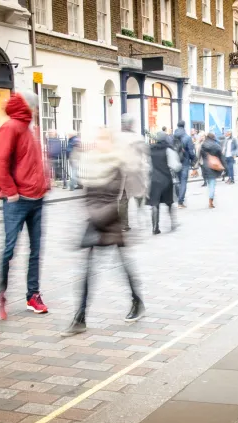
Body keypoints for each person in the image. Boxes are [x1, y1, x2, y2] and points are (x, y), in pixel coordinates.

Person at [61, 128, 145, 337]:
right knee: (88, 271)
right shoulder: (90, 164)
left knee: (123, 267)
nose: (100, 143)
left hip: (110, 221)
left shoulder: (117, 165)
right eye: (97, 139)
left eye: (104, 139)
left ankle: (137, 301)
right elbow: (88, 196)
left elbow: (114, 198)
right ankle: (80, 317)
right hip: (96, 220)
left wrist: (95, 218)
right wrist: (90, 216)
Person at [0, 91, 49, 320]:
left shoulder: (31, 129)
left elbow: (32, 161)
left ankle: (33, 294)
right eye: (35, 108)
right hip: (17, 201)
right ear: (29, 107)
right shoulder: (12, 127)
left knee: (36, 250)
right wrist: (11, 191)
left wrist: (45, 183)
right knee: (9, 249)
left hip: (36, 199)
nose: (37, 112)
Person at [117, 114, 151, 232]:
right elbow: (146, 151)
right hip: (135, 171)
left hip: (122, 171)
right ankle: (141, 213)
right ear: (131, 124)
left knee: (123, 198)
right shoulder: (137, 137)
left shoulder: (117, 137)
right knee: (139, 193)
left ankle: (123, 224)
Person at [147, 131, 176, 234]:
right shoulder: (168, 150)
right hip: (166, 179)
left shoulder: (151, 150)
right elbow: (174, 165)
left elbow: (148, 166)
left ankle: (155, 227)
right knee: (169, 202)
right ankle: (172, 223)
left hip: (154, 179)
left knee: (155, 203)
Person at [173, 121, 196, 208]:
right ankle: (180, 202)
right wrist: (193, 159)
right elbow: (191, 151)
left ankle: (178, 197)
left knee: (177, 181)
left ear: (177, 126)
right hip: (184, 162)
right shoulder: (187, 137)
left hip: (175, 161)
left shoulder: (173, 136)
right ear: (184, 126)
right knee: (183, 182)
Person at [201, 133, 226, 208]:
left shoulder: (203, 144)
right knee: (212, 183)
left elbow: (201, 155)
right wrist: (224, 166)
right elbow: (221, 157)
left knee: (209, 183)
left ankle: (210, 197)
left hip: (205, 165)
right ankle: (210, 201)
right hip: (214, 165)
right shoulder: (216, 145)